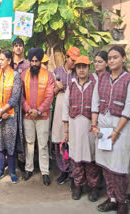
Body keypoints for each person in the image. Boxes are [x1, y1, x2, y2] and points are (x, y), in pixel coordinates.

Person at [92, 46, 130, 214]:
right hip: (102, 127)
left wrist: (116, 132)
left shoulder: (128, 79)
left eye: (116, 57)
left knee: (119, 166)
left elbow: (128, 109)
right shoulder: (102, 78)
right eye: (110, 58)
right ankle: (112, 198)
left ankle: (122, 202)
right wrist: (94, 125)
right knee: (106, 165)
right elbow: (95, 103)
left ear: (123, 59)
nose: (112, 60)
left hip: (121, 128)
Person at [62, 55, 100, 201]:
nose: (82, 70)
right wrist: (66, 131)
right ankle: (78, 186)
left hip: (89, 128)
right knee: (76, 158)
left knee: (91, 159)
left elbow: (97, 106)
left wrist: (95, 125)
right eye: (79, 67)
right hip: (74, 127)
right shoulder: (71, 85)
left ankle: (94, 188)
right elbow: (66, 108)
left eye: (84, 66)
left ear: (88, 68)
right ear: (75, 69)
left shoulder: (94, 84)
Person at [22, 48, 54, 186]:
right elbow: (21, 96)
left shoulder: (49, 75)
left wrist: (39, 111)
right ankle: (28, 169)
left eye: (37, 61)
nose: (34, 63)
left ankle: (45, 172)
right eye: (32, 61)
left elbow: (49, 96)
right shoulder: (23, 75)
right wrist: (29, 110)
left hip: (43, 116)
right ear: (29, 61)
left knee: (42, 144)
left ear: (40, 61)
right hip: (28, 115)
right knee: (29, 143)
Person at [0, 50, 24, 184]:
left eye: (3, 59)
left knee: (10, 144)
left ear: (9, 61)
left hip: (10, 116)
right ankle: (0, 169)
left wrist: (3, 111)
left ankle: (11, 171)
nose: (0, 62)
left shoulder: (16, 76)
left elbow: (15, 98)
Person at [51, 46, 80, 185]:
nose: (74, 63)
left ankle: (74, 172)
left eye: (76, 60)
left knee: (72, 140)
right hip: (60, 107)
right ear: (66, 57)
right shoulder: (57, 72)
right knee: (59, 140)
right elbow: (51, 94)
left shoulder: (78, 73)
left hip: (74, 109)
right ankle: (63, 170)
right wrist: (58, 88)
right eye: (72, 59)